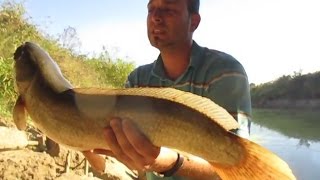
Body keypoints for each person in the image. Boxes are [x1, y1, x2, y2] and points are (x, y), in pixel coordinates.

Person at [84, 0, 252, 179]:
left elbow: (238, 164)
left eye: (168, 10)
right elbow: (132, 163)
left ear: (193, 22)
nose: (155, 17)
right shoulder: (137, 80)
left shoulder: (223, 71)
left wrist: (171, 163)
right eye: (151, 9)